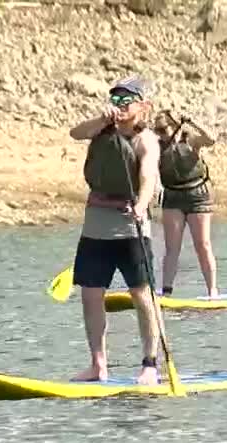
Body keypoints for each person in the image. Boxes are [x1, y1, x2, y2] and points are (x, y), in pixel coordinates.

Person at [67, 75, 164, 385]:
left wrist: (140, 205)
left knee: (142, 294)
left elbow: (148, 179)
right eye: (116, 100)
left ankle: (150, 364)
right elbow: (75, 132)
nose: (120, 106)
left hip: (130, 226)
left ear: (143, 106)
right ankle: (98, 364)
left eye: (127, 100)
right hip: (96, 225)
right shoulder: (101, 127)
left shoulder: (146, 139)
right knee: (91, 294)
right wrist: (100, 118)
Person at [153, 109, 218, 297]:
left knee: (202, 244)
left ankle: (212, 291)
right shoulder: (157, 147)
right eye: (156, 130)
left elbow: (211, 139)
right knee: (172, 247)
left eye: (163, 129)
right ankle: (166, 291)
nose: (160, 134)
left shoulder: (190, 140)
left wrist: (192, 122)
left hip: (198, 196)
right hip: (173, 197)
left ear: (175, 127)